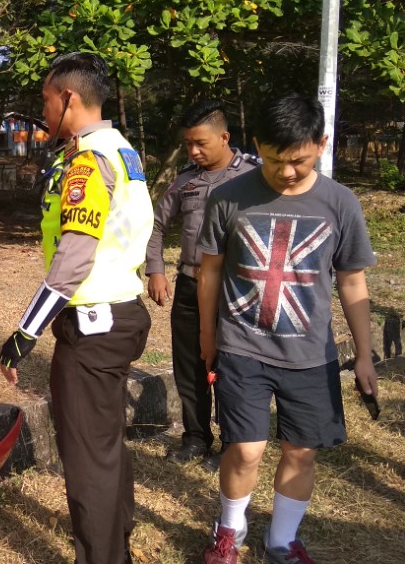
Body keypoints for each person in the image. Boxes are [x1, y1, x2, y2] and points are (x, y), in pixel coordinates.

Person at [198, 94, 377, 564]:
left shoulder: (340, 204)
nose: (287, 172)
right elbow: (210, 272)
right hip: (243, 347)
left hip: (310, 356)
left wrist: (363, 353)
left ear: (321, 144)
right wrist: (207, 335)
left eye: (298, 160)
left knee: (300, 452)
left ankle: (282, 541)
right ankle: (229, 534)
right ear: (258, 145)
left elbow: (352, 280)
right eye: (275, 160)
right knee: (246, 449)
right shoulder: (228, 197)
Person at [0, 51, 153, 564]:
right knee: (104, 444)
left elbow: (73, 258)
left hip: (92, 325)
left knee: (86, 457)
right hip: (121, 314)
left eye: (46, 101)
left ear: (69, 97)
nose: (42, 113)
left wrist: (24, 334)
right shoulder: (123, 151)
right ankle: (118, 544)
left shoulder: (89, 161)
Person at [145, 100, 260, 470]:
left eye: (201, 143)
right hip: (192, 286)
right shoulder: (186, 180)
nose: (194, 151)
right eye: (189, 144)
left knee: (232, 369)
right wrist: (155, 269)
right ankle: (195, 438)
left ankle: (232, 443)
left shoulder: (255, 179)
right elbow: (156, 224)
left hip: (236, 291)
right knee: (189, 366)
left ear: (224, 136)